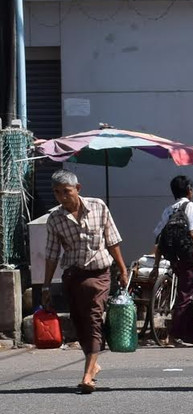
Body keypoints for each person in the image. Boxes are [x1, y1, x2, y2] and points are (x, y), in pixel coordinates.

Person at [42, 169, 128, 394]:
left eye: (66, 191)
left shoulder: (98, 206)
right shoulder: (55, 219)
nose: (62, 197)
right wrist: (46, 286)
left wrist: (123, 269)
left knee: (93, 319)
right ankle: (93, 363)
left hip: (99, 275)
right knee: (80, 322)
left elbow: (112, 240)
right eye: (57, 192)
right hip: (73, 276)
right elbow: (51, 255)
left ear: (77, 189)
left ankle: (87, 375)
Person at [151, 175, 193, 346]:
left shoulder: (168, 210)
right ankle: (173, 335)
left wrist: (156, 265)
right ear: (189, 190)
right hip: (188, 256)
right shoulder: (190, 206)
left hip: (174, 258)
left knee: (191, 292)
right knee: (188, 296)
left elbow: (159, 239)